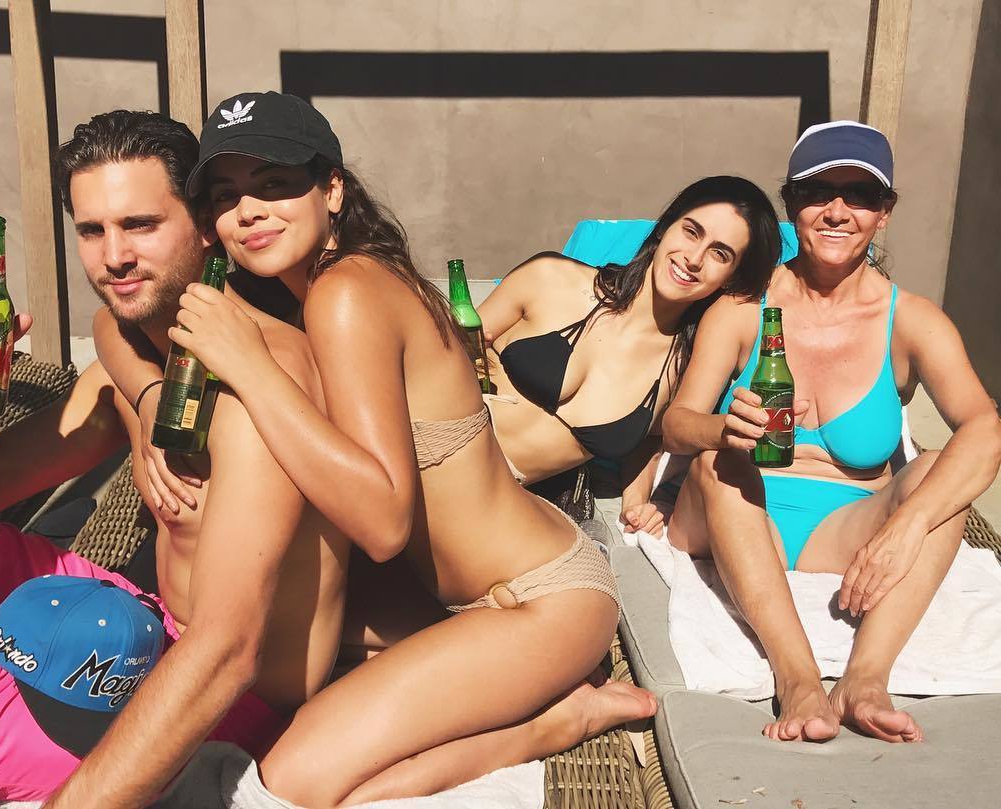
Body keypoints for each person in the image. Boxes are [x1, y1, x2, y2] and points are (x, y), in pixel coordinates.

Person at [95, 90, 658, 808]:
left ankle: (556, 722)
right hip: (437, 598)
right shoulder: (283, 290)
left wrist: (252, 368)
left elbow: (386, 524)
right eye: (228, 195)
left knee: (292, 778)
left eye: (275, 183)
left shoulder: (346, 292)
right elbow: (115, 321)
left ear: (331, 189)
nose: (250, 210)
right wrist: (149, 399)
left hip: (539, 600)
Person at [0, 110, 347, 808]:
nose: (114, 256)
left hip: (214, 695)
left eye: (141, 225)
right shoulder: (139, 355)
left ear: (206, 225)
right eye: (92, 230)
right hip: (134, 613)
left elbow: (227, 654)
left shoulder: (254, 383)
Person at [661, 120, 1001, 743]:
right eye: (819, 192)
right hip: (728, 516)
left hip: (842, 529)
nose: (838, 211)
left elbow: (985, 428)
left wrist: (907, 525)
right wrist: (723, 428)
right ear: (792, 204)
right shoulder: (743, 307)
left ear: (884, 213)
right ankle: (798, 680)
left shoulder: (911, 320)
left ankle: (865, 679)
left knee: (939, 475)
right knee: (717, 462)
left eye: (861, 195)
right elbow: (678, 425)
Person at [478, 176, 782, 534]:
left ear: (732, 278)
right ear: (666, 228)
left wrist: (637, 500)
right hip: (443, 448)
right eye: (691, 232)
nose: (694, 258)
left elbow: (649, 437)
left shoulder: (680, 369)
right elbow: (449, 348)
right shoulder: (550, 278)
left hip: (502, 502)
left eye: (720, 254)